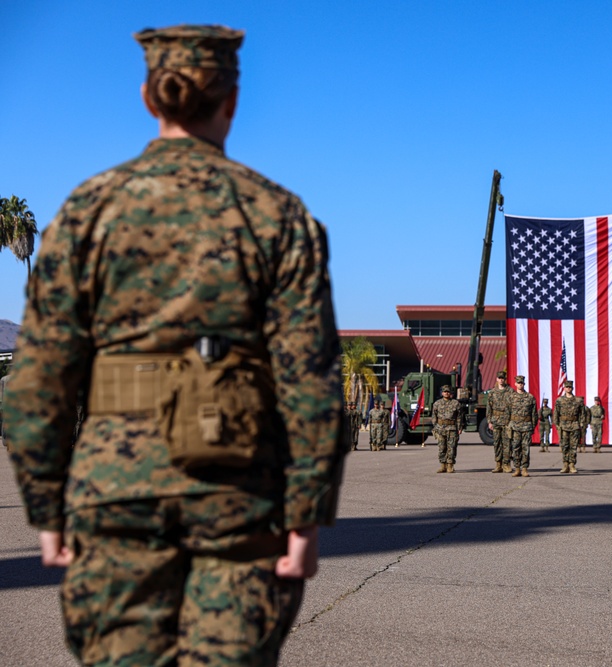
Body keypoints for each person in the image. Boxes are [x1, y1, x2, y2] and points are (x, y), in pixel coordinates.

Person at [3, 24, 348, 666]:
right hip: (240, 495)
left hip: (115, 491)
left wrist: (46, 506)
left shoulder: (89, 210)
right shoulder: (280, 216)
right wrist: (305, 518)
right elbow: (311, 382)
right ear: (232, 102)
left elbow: (38, 377)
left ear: (148, 97)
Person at [507, 376, 538, 477]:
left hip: (526, 427)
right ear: (515, 384)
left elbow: (534, 414)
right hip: (515, 427)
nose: (520, 385)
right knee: (515, 448)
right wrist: (508, 426)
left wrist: (532, 426)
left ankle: (524, 468)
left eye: (522, 383)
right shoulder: (511, 397)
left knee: (526, 448)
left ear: (524, 384)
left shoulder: (530, 397)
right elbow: (507, 413)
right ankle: (517, 468)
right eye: (518, 383)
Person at [553, 380, 586, 474]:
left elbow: (582, 414)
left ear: (572, 388)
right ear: (564, 388)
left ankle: (572, 464)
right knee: (564, 446)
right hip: (563, 426)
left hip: (574, 425)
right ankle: (565, 464)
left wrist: (581, 424)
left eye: (570, 387)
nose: (568, 388)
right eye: (566, 387)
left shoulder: (578, 400)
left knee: (573, 446)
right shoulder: (559, 400)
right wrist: (557, 425)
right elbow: (556, 413)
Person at [486, 370, 512, 472]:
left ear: (505, 379)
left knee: (507, 443)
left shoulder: (510, 391)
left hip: (506, 421)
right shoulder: (492, 392)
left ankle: (506, 464)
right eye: (499, 378)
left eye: (503, 378)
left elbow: (513, 407)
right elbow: (489, 408)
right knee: (497, 443)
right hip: (496, 420)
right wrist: (489, 421)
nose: (501, 380)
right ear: (497, 379)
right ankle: (498, 464)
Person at [431, 385, 462, 473]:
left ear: (450, 393)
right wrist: (435, 426)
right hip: (440, 428)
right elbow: (434, 416)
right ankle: (443, 465)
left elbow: (459, 417)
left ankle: (450, 465)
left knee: (452, 447)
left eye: (448, 392)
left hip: (452, 428)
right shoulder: (437, 403)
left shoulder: (456, 403)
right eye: (445, 392)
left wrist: (459, 427)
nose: (446, 393)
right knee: (442, 447)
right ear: (442, 393)